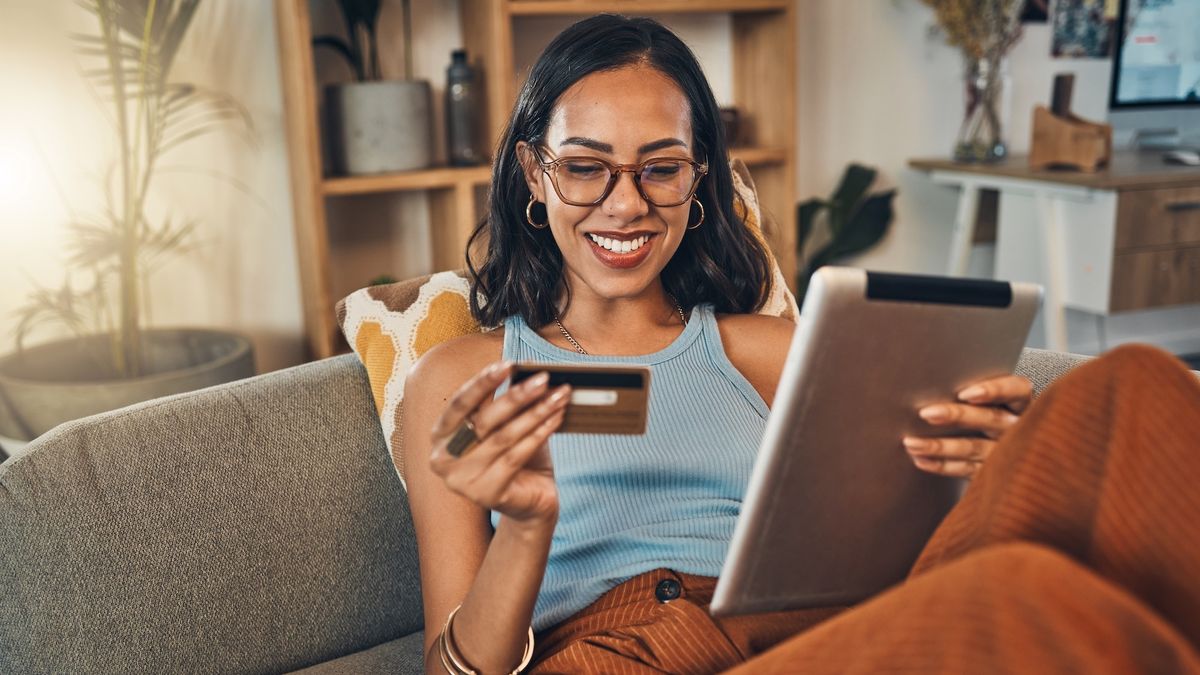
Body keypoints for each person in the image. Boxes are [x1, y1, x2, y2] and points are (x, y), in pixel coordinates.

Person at [402, 15, 1200, 675]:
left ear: (698, 178)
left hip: (802, 631)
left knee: (1138, 384)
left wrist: (1004, 463)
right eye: (585, 168)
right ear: (534, 175)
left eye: (661, 168)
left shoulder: (772, 349)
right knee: (1021, 597)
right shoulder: (462, 378)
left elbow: (888, 535)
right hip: (614, 653)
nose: (625, 204)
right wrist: (532, 526)